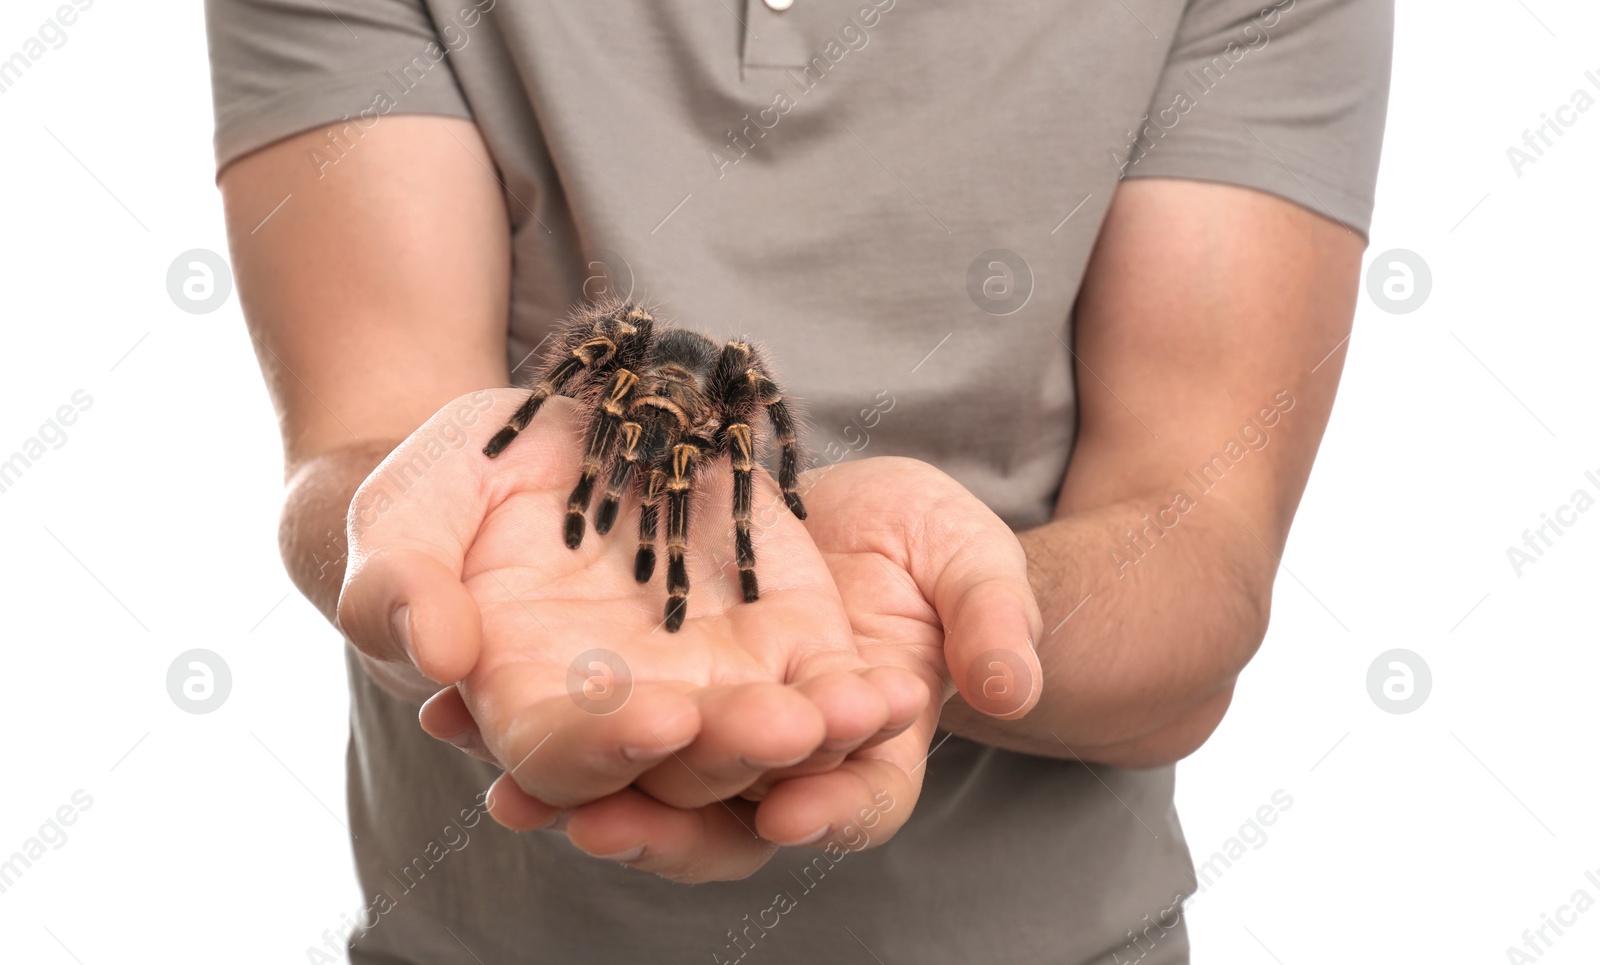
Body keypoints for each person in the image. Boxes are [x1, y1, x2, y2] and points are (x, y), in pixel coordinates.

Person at [206, 0, 1391, 961]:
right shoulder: (609, 373)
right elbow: (369, 436)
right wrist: (465, 496)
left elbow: (1201, 546)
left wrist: (906, 614)